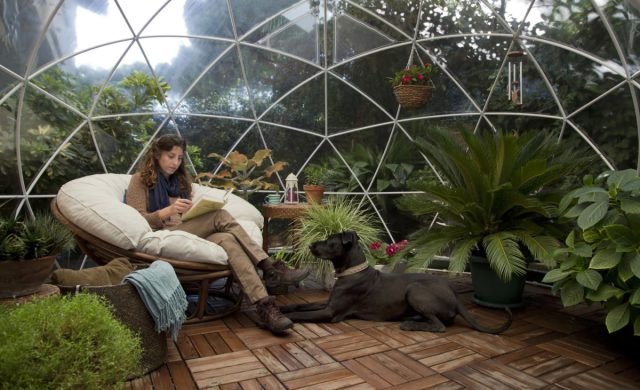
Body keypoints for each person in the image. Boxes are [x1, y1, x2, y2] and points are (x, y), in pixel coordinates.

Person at [126, 134, 309, 334]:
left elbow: (185, 215)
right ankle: (270, 267)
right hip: (164, 233)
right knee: (220, 215)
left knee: (228, 240)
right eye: (170, 156)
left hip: (189, 228)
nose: (175, 162)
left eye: (179, 158)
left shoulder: (179, 181)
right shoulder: (140, 180)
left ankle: (265, 307)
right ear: (157, 154)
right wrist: (167, 211)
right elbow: (136, 219)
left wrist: (193, 211)